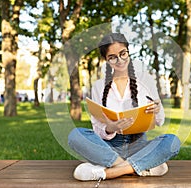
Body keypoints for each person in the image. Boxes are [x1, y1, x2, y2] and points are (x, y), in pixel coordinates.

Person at [68, 33, 181, 183]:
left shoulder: (146, 80)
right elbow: (96, 127)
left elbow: (160, 121)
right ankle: (140, 167)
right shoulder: (98, 86)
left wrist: (158, 110)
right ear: (106, 60)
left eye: (123, 54)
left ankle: (108, 173)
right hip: (109, 148)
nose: (120, 60)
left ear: (128, 51)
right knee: (75, 135)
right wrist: (110, 127)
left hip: (139, 145)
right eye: (113, 57)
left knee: (172, 141)